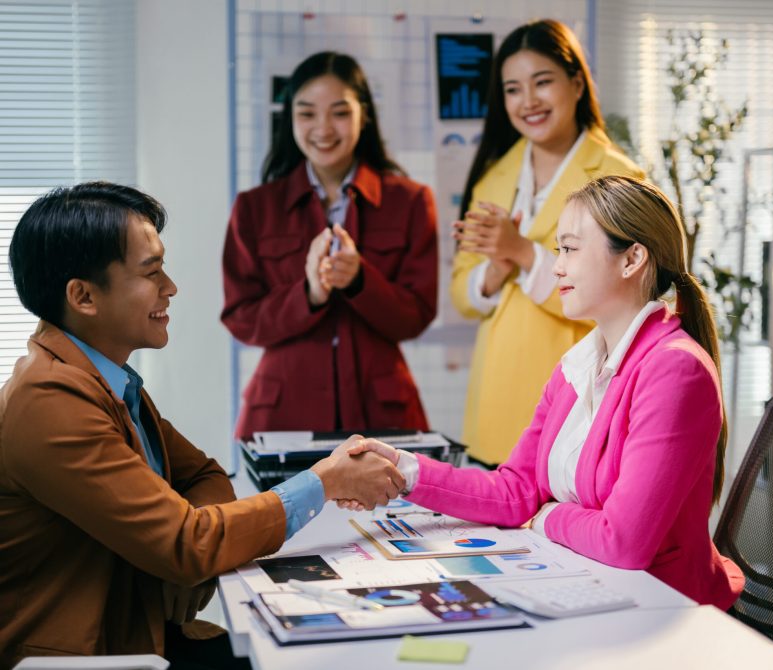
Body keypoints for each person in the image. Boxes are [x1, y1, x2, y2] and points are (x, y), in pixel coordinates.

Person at [0, 182, 405, 668]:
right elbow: (189, 542)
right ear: (84, 297)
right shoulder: (52, 399)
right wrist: (324, 482)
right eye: (151, 273)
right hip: (95, 656)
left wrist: (180, 564)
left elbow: (203, 477)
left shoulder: (104, 380)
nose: (170, 287)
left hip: (141, 630)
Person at [349, 176, 746, 609]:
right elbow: (515, 490)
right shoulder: (578, 365)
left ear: (632, 259)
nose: (557, 266)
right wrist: (404, 470)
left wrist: (548, 515)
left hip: (662, 608)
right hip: (589, 586)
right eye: (559, 250)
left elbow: (624, 541)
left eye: (571, 249)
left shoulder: (675, 369)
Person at [451, 19, 644, 466]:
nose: (528, 101)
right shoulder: (493, 177)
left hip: (575, 406)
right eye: (513, 89)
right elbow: (462, 294)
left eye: (542, 82)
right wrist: (495, 272)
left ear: (577, 83)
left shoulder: (619, 177)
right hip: (493, 408)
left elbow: (623, 297)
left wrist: (521, 253)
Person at [221, 51, 438, 438]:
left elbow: (416, 315)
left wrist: (360, 282)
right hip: (283, 416)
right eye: (306, 113)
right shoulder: (255, 207)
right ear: (290, 119)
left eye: (339, 112)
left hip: (381, 414)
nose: (323, 128)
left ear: (364, 114)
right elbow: (241, 318)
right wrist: (308, 294)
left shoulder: (410, 201)